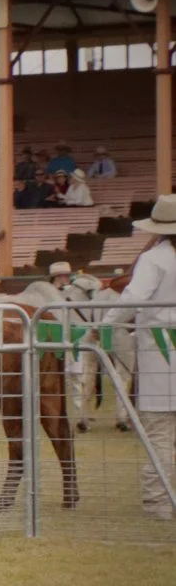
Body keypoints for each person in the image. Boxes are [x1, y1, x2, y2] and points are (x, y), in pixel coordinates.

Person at [115, 197, 176, 519]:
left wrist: (104, 324)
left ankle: (159, 504)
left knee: (159, 435)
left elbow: (133, 298)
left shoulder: (154, 260)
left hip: (160, 354)